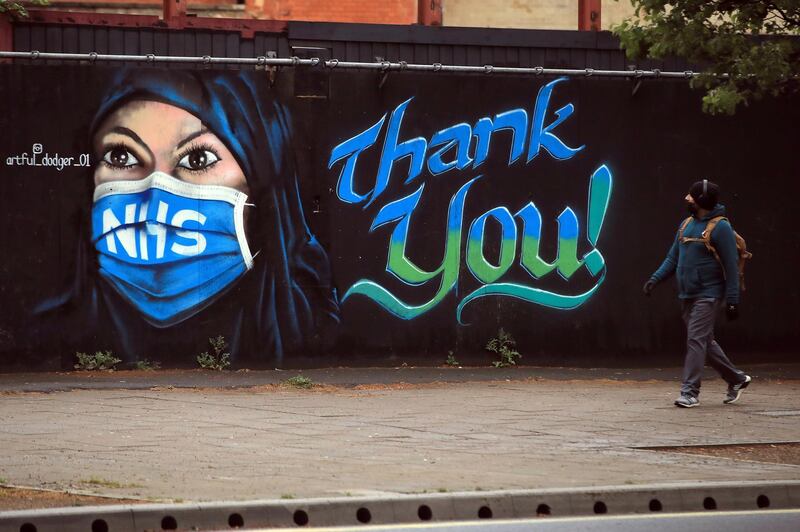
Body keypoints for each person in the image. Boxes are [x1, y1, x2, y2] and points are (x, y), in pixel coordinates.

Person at [34, 69, 340, 368]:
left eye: (197, 159)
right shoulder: (49, 331)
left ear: (261, 174)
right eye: (120, 156)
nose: (155, 198)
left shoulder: (310, 323)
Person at [643, 179, 750, 408]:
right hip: (687, 294)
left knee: (695, 340)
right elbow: (673, 258)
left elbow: (731, 267)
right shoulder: (686, 225)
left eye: (691, 196)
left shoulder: (720, 227)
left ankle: (690, 392)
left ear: (701, 200)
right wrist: (655, 279)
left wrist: (732, 300)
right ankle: (736, 379)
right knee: (704, 341)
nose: (686, 198)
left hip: (708, 295)